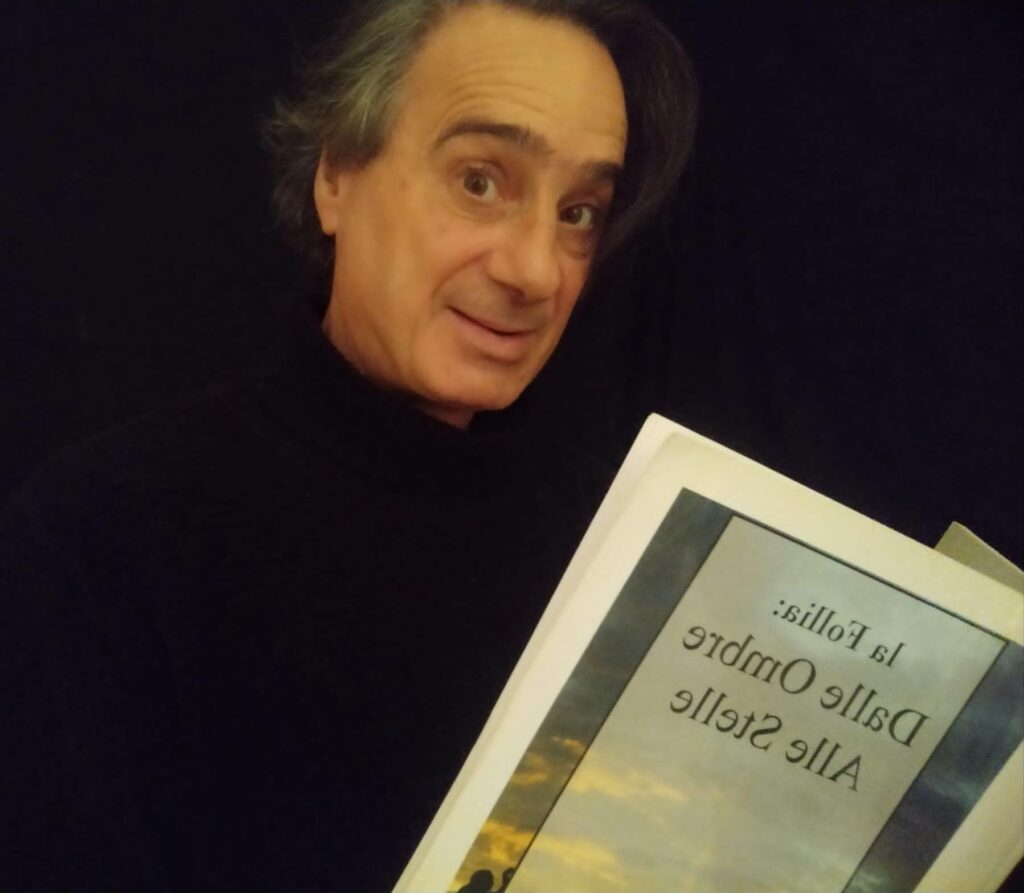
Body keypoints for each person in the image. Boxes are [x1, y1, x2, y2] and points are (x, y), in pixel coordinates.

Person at [0, 1, 695, 889]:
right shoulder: (102, 537)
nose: (535, 269)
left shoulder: (620, 552)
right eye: (480, 181)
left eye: (580, 212)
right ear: (336, 177)